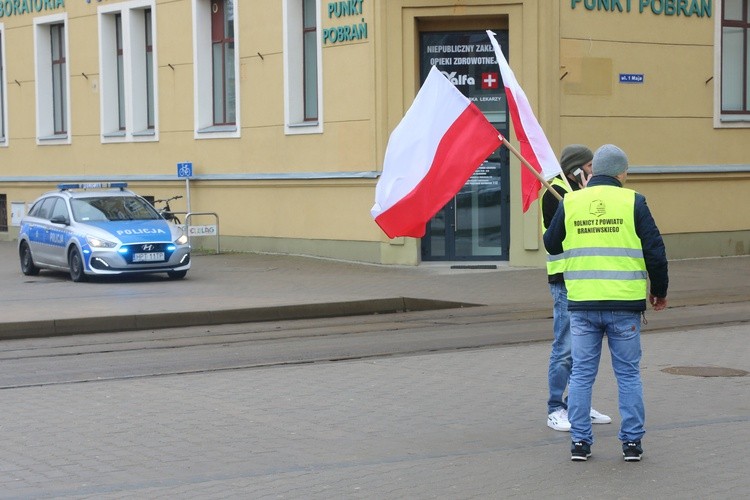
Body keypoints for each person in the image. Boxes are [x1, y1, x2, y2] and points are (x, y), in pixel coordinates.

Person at [544, 144, 668, 462]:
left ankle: (581, 443)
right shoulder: (634, 201)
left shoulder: (571, 200)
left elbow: (551, 242)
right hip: (624, 304)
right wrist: (660, 291)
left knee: (583, 373)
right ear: (621, 172)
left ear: (592, 171)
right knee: (627, 374)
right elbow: (655, 250)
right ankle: (631, 444)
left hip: (582, 302)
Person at [542, 145, 611, 432]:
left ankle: (578, 403)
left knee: (586, 348)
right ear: (576, 168)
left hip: (586, 279)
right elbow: (559, 235)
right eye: (590, 166)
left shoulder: (583, 193)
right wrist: (582, 198)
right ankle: (556, 408)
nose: (594, 171)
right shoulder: (553, 192)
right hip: (565, 280)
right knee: (566, 348)